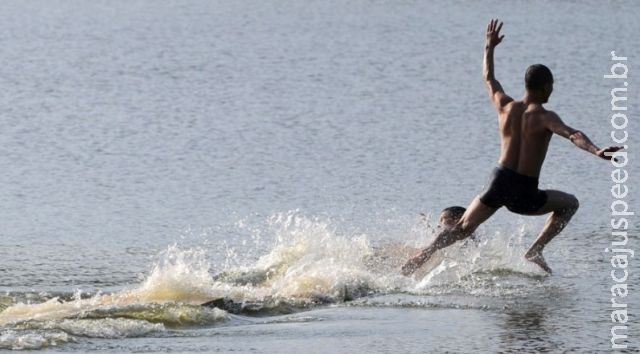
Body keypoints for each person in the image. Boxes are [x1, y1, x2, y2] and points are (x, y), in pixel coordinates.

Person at [401, 19, 622, 276]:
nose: (552, 90)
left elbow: (489, 77)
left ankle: (421, 257)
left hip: (498, 179)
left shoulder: (505, 106)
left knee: (461, 228)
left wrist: (489, 47)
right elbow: (573, 135)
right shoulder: (545, 116)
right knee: (570, 204)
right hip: (524, 192)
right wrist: (596, 150)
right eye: (551, 86)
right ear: (544, 87)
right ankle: (535, 250)